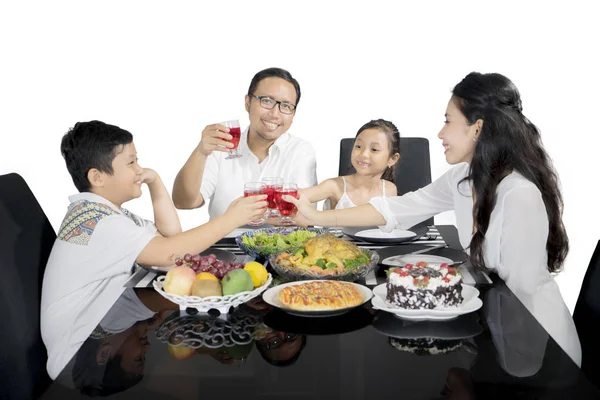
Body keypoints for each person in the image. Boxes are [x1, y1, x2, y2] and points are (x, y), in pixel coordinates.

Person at [285, 72, 576, 362]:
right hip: (492, 331)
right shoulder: (462, 177)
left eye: (448, 120)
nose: (440, 133)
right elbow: (398, 209)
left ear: (477, 129)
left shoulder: (519, 195)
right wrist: (318, 217)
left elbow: (518, 299)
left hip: (534, 345)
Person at [41, 120, 267, 379]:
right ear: (97, 177)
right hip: (78, 353)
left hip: (103, 324)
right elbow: (168, 253)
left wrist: (156, 182)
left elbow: (172, 236)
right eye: (131, 163)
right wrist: (231, 219)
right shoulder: (100, 224)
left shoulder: (104, 213)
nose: (139, 170)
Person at [172, 67, 318, 220]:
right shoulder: (222, 144)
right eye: (266, 101)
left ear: (293, 114)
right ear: (247, 103)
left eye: (286, 106)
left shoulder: (300, 151)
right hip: (224, 242)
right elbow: (184, 202)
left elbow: (304, 214)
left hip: (281, 242)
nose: (275, 114)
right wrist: (201, 152)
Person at [300, 119, 399, 210]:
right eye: (359, 146)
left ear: (392, 159)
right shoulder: (334, 186)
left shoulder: (389, 190)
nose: (363, 154)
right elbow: (292, 197)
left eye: (374, 149)